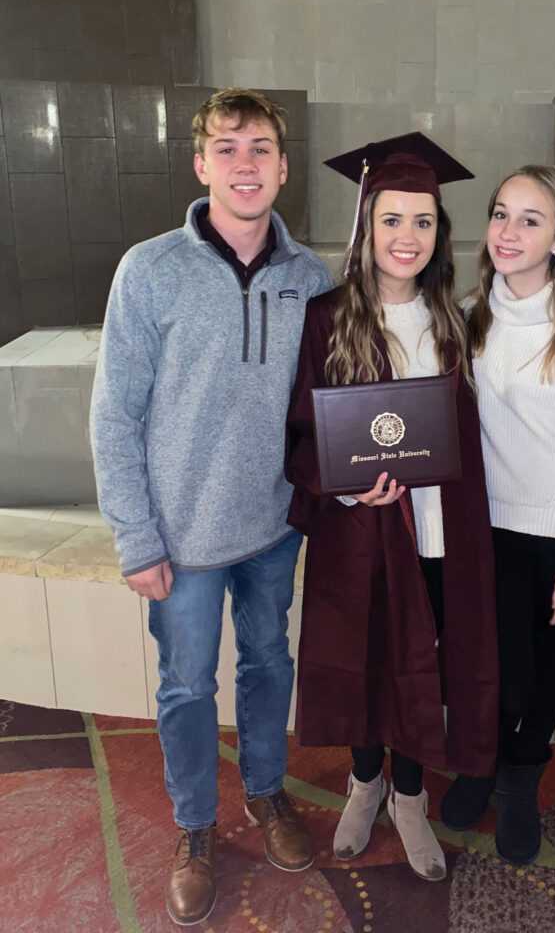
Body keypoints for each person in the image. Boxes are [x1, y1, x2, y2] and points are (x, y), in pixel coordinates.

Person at [90, 88, 332, 926]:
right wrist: (136, 536)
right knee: (188, 687)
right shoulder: (149, 270)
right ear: (200, 165)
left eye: (260, 147)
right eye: (226, 148)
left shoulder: (311, 276)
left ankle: (266, 794)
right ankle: (194, 827)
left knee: (269, 666)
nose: (244, 163)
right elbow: (114, 413)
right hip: (181, 539)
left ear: (284, 166)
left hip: (272, 531)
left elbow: (328, 404)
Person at [285, 133, 498, 882]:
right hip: (361, 531)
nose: (406, 237)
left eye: (423, 221)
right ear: (365, 228)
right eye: (392, 220)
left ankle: (410, 798)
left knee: (423, 666)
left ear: (440, 234)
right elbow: (299, 434)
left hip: (439, 534)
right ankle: (364, 782)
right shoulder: (326, 318)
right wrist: (343, 485)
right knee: (363, 661)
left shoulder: (458, 324)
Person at [440, 165, 555, 865]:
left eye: (530, 219)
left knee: (542, 674)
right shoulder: (471, 316)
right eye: (500, 214)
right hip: (497, 529)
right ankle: (480, 764)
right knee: (496, 669)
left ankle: (519, 783)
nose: (508, 232)